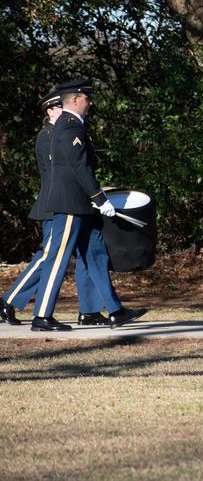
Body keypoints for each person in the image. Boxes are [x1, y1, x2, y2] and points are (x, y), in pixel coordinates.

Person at [28, 77, 147, 331]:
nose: (90, 102)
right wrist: (99, 198)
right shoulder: (70, 126)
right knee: (58, 259)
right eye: (86, 98)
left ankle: (114, 310)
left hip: (81, 205)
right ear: (75, 99)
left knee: (95, 254)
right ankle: (42, 316)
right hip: (71, 204)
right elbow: (79, 167)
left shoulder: (71, 125)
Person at [1, 88, 63, 325]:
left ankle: (92, 310)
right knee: (47, 256)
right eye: (60, 107)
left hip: (65, 203)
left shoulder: (60, 133)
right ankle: (8, 301)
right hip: (54, 204)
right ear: (50, 111)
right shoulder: (48, 135)